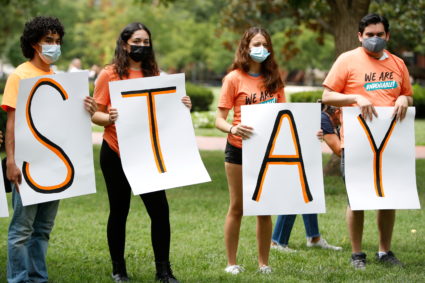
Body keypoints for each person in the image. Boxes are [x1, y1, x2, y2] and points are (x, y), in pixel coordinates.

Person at [91, 22, 191, 283]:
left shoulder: (156, 74)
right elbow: (95, 114)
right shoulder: (109, 74)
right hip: (115, 153)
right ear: (125, 43)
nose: (142, 46)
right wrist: (108, 117)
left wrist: (183, 104)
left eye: (146, 42)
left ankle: (164, 271)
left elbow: (165, 109)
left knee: (160, 212)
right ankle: (118, 269)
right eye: (137, 41)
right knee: (119, 211)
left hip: (148, 154)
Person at [1, 16, 97, 283]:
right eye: (48, 41)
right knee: (22, 229)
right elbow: (12, 123)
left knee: (43, 228)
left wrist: (88, 109)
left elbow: (64, 123)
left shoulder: (57, 78)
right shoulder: (19, 75)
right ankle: (18, 279)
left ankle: (37, 278)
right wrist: (11, 160)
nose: (54, 46)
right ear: (34, 44)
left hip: (53, 166)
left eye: (57, 41)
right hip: (27, 164)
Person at [322, 13, 413, 269]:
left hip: (390, 144)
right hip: (357, 143)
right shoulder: (347, 60)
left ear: (388, 36)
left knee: (389, 198)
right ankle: (357, 254)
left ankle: (385, 251)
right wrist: (354, 98)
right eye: (369, 35)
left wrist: (405, 99)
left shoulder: (398, 64)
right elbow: (327, 96)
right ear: (360, 36)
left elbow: (407, 95)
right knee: (358, 199)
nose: (374, 39)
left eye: (379, 35)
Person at [215, 26, 286, 275]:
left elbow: (284, 116)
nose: (261, 49)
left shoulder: (275, 78)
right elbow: (219, 119)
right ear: (246, 47)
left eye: (265, 45)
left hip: (267, 151)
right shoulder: (233, 78)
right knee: (238, 207)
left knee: (263, 208)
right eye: (256, 44)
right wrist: (233, 129)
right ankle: (231, 263)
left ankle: (263, 264)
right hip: (238, 151)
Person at [271, 105, 342, 253]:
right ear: (336, 112)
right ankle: (277, 242)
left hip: (300, 159)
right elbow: (339, 150)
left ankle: (313, 238)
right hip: (296, 160)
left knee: (308, 196)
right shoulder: (324, 120)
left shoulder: (321, 118)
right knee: (295, 195)